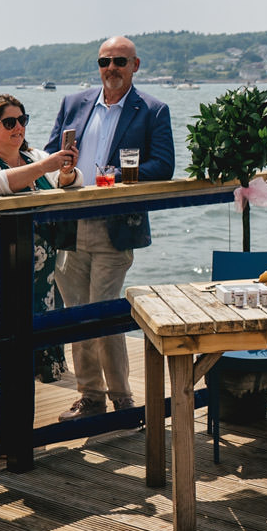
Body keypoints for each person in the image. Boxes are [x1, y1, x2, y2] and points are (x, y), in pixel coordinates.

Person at [43, 37, 175, 419]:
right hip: (69, 223)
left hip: (115, 224)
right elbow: (51, 155)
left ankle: (121, 399)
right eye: (105, 61)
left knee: (102, 312)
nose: (111, 68)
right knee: (76, 313)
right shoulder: (73, 103)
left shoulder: (152, 109)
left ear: (136, 65)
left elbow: (163, 166)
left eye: (120, 61)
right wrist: (61, 170)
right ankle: (91, 397)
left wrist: (115, 176)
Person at [0, 95, 77, 438]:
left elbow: (67, 183)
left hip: (38, 274)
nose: (18, 128)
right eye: (9, 122)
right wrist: (47, 167)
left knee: (27, 353)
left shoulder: (37, 156)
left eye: (22, 120)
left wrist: (66, 171)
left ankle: (18, 427)